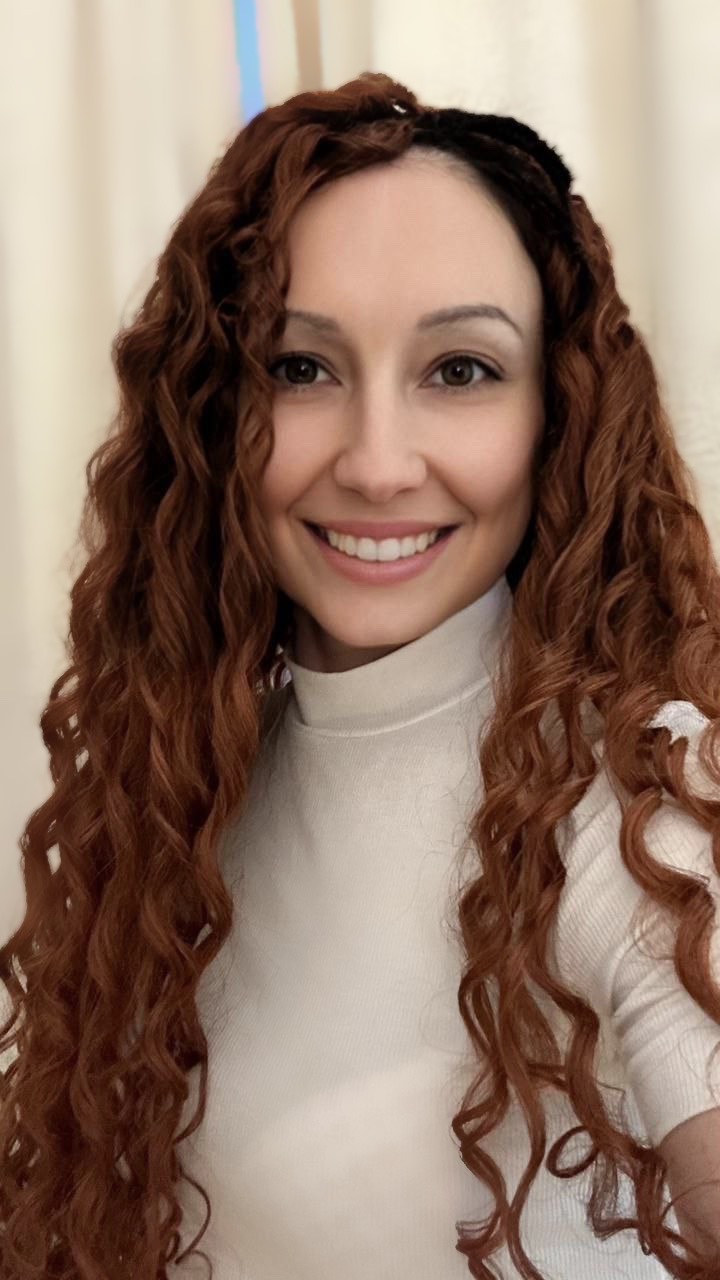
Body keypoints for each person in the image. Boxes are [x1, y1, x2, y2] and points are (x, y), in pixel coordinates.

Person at [1, 70, 720, 1280]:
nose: (378, 464)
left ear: (557, 412)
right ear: (215, 410)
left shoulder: (642, 803)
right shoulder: (186, 785)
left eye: (461, 369)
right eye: (300, 367)